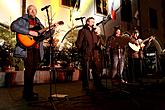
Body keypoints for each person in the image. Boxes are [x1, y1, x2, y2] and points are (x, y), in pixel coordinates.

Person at [10, 5, 45, 101]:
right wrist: (29, 32)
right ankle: (27, 93)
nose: (33, 11)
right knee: (29, 70)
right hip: (27, 48)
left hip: (36, 49)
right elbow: (13, 26)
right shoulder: (23, 19)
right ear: (28, 11)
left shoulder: (38, 22)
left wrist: (52, 29)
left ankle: (29, 91)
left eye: (35, 10)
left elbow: (42, 35)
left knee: (33, 70)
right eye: (31, 10)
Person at [75, 17, 104, 91]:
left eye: (94, 22)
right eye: (92, 22)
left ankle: (97, 84)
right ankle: (85, 86)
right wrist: (83, 50)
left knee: (95, 69)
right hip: (86, 53)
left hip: (94, 53)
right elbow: (78, 43)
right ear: (87, 22)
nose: (93, 23)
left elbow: (99, 43)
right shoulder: (83, 31)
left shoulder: (94, 32)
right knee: (86, 70)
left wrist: (98, 35)